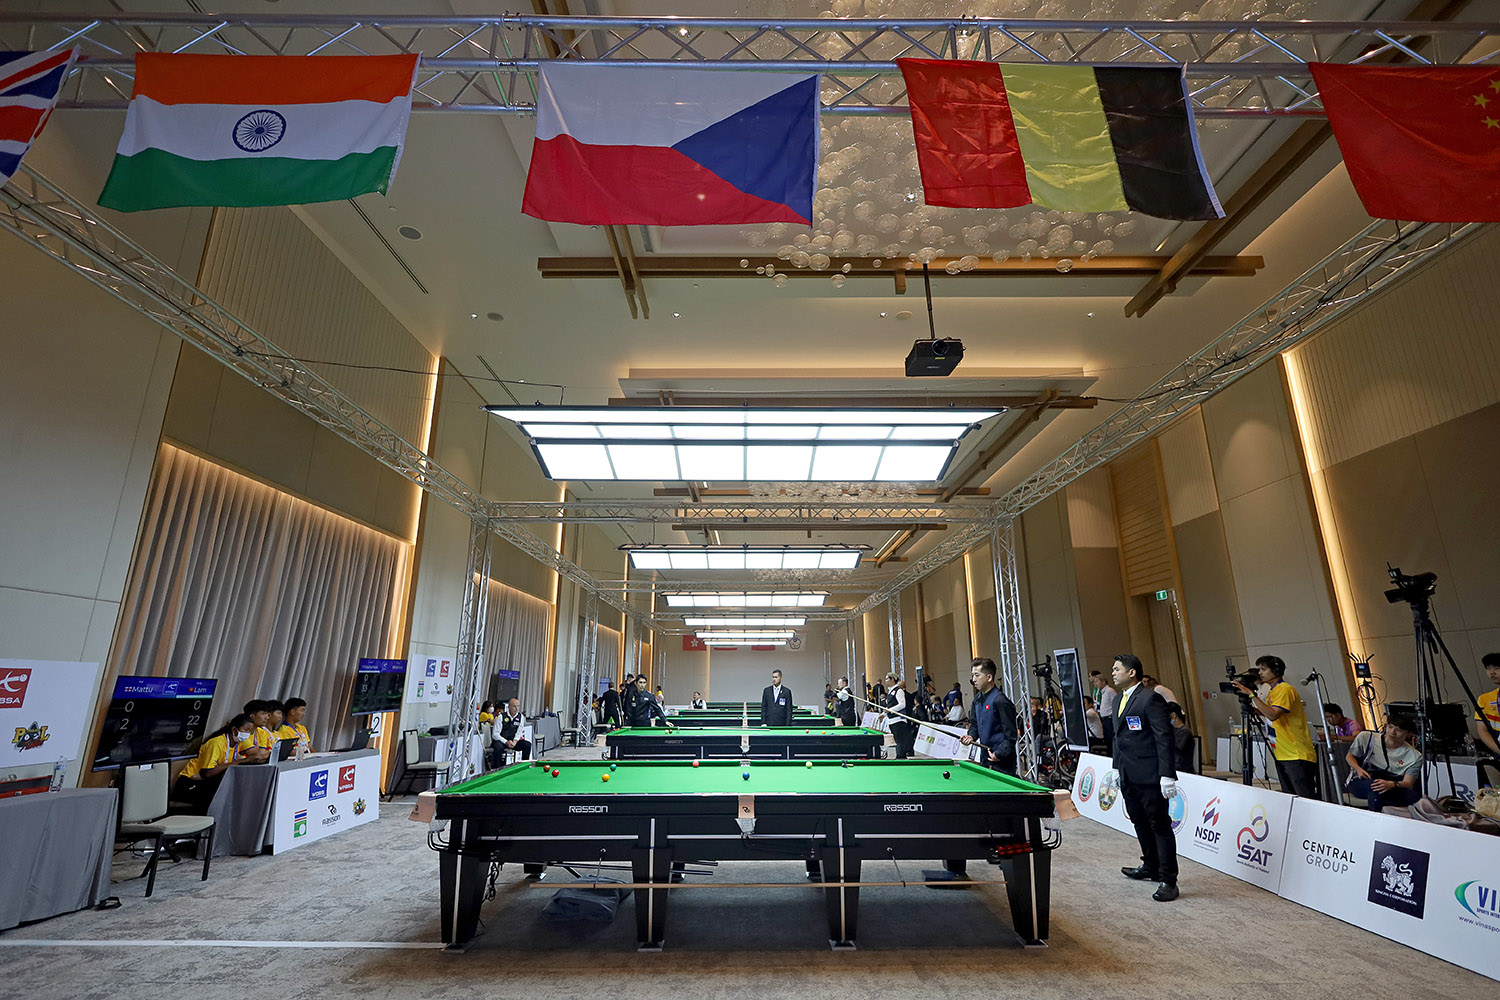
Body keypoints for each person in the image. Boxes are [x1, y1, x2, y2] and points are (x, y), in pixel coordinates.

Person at [1110, 654, 1179, 902]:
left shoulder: (1150, 699)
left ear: (1132, 673)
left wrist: (1167, 775)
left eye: (1117, 669)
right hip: (1128, 773)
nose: (1113, 672)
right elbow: (1117, 738)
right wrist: (1116, 768)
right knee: (1138, 820)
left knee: (1159, 824)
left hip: (1150, 774)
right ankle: (1150, 864)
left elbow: (1164, 737)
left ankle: (1169, 879)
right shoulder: (1119, 699)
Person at [1231, 654, 1319, 799]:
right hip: (1283, 754)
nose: (1259, 673)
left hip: (1296, 754)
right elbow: (1268, 713)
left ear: (1276, 671)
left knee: (1305, 799)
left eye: (1263, 669)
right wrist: (1252, 709)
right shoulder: (1274, 691)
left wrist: (1253, 696)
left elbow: (1273, 714)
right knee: (1290, 798)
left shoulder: (1285, 689)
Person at [174, 714, 256, 811]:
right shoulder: (216, 743)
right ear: (234, 730)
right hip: (189, 783)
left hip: (207, 783)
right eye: (246, 730)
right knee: (221, 793)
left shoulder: (236, 744)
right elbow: (207, 773)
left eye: (250, 731)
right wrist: (240, 761)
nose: (248, 734)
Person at [1345, 715, 1423, 811]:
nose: (1392, 732)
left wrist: (1392, 784)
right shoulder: (1367, 738)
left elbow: (1408, 782)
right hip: (1363, 779)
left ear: (1408, 734)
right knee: (1376, 789)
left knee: (1415, 798)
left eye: (1398, 730)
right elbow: (1349, 756)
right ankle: (1375, 821)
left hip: (1391, 784)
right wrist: (1358, 769)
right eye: (1390, 727)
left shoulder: (1415, 756)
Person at [960, 658, 1018, 774]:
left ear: (989, 677)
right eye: (973, 675)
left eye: (977, 675)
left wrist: (999, 753)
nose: (974, 680)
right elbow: (975, 724)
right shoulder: (977, 699)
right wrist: (971, 736)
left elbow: (1011, 735)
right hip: (985, 758)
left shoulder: (1000, 701)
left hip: (1002, 761)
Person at [883, 675, 916, 758]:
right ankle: (900, 756)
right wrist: (883, 714)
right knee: (897, 740)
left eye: (887, 678)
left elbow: (902, 704)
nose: (885, 680)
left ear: (892, 679)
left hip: (899, 720)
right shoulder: (891, 691)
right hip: (892, 719)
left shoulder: (899, 690)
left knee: (900, 740)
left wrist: (890, 710)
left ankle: (900, 757)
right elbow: (890, 705)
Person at [1474, 652, 1500, 756]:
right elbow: (1482, 730)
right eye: (1488, 668)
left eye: (1497, 668)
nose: (1492, 672)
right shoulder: (1484, 699)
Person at [492, 697, 532, 763]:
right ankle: (497, 768)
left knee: (527, 745)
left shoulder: (521, 717)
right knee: (498, 747)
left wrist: (515, 741)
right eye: (514, 706)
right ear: (509, 707)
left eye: (518, 706)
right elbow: (495, 734)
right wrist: (506, 742)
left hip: (513, 741)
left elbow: (519, 732)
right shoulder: (501, 717)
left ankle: (524, 765)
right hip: (502, 741)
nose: (516, 708)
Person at [1166, 702, 1196, 774]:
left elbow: (1175, 748)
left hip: (1182, 768)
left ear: (1173, 715)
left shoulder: (1185, 732)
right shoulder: (1171, 730)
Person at [1093, 669, 1118, 753]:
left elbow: (1116, 704)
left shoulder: (1110, 691)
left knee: (1111, 739)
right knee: (1107, 739)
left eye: (1097, 682)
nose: (1095, 684)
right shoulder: (1102, 692)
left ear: (1103, 681)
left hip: (1109, 718)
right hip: (1104, 718)